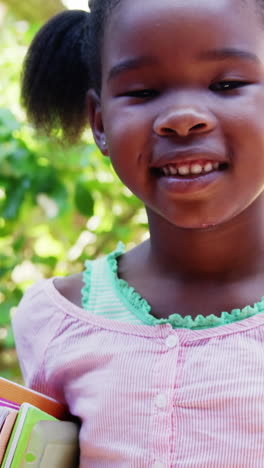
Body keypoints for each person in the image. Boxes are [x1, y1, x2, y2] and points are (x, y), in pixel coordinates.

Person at [12, 0, 264, 465]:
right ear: (100, 123)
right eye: (144, 92)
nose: (183, 117)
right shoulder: (57, 321)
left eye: (226, 84)